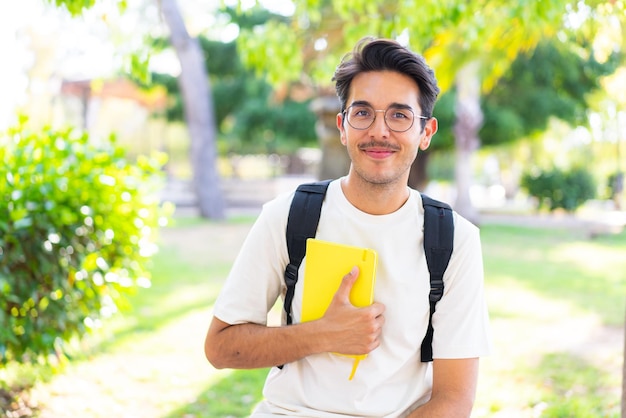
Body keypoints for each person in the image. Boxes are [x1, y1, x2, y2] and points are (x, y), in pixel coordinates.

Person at [204, 36, 491, 417]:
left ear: (426, 132)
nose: (379, 131)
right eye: (363, 113)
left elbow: (454, 399)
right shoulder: (288, 216)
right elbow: (221, 347)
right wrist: (321, 333)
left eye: (399, 115)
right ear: (342, 126)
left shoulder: (455, 241)